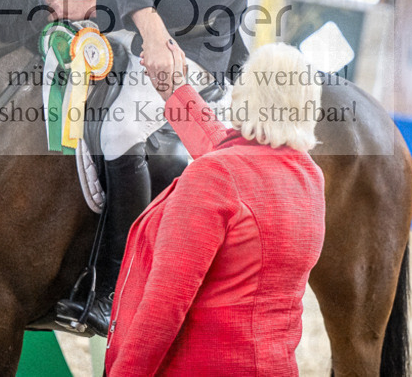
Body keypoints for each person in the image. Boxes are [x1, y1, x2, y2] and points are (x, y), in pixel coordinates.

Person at [44, 0, 288, 334]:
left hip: (200, 45)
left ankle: (113, 291)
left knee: (117, 130)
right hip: (132, 19)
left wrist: (105, 9)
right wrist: (121, 17)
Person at [103, 40, 326, 376]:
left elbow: (165, 304)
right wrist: (174, 89)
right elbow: (229, 153)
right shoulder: (308, 176)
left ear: (245, 95)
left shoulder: (216, 175)